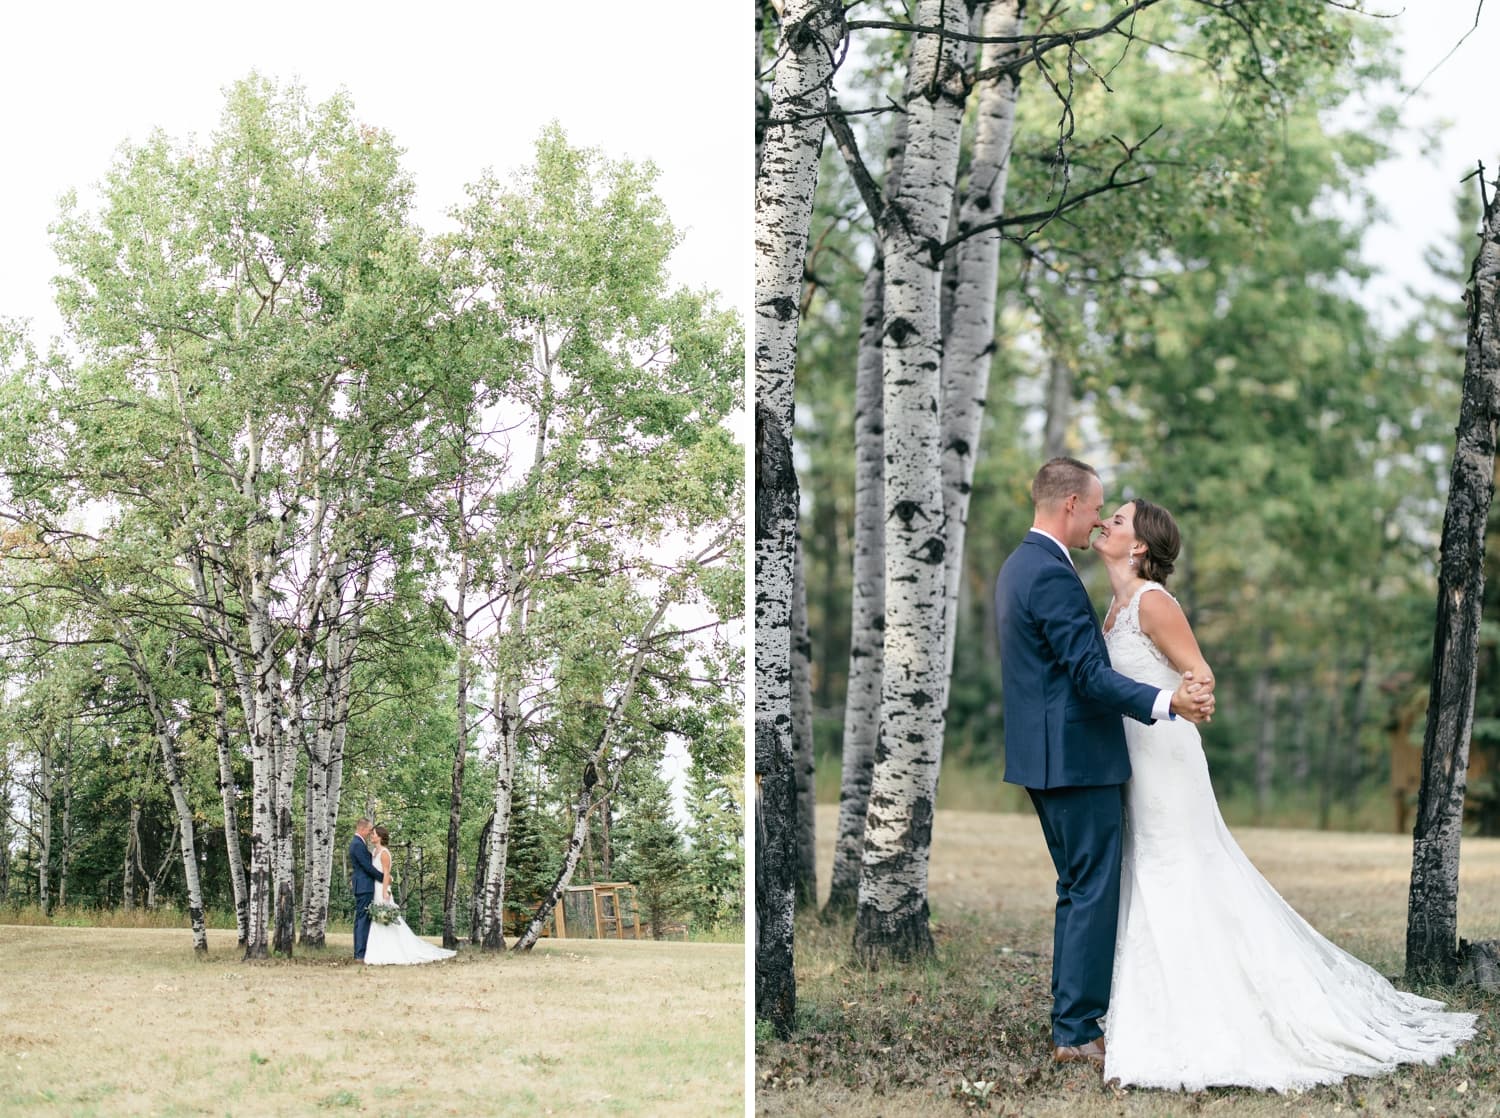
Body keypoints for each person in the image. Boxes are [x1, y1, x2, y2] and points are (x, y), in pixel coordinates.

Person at [1094, 496, 1475, 1090]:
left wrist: (1195, 699)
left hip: (1165, 760)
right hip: (1130, 759)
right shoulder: (1114, 605)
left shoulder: (1153, 603)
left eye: (1117, 519)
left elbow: (1200, 673)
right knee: (1145, 868)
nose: (1106, 523)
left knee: (1180, 868)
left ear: (1140, 544)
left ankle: (1202, 1012)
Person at [994, 457, 1215, 1069]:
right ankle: (1076, 1031)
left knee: (1079, 888)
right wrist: (1166, 701)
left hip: (1052, 757)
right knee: (1090, 889)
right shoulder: (1053, 575)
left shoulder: (1021, 567)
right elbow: (1089, 676)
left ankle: (1075, 1022)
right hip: (1077, 758)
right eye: (1096, 509)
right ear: (1070, 505)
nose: (1097, 521)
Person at [364, 824, 456, 966]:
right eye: (372, 834)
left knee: (385, 917)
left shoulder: (384, 853)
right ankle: (379, 949)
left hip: (381, 888)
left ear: (381, 837)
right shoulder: (374, 852)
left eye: (374, 834)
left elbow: (386, 873)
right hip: (374, 887)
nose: (372, 836)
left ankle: (393, 950)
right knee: (377, 918)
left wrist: (385, 892)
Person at [347, 817, 385, 961]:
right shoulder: (357, 844)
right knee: (362, 920)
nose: (370, 834)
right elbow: (367, 867)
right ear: (362, 829)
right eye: (369, 831)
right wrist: (384, 878)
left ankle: (360, 952)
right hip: (364, 886)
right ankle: (360, 954)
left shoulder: (358, 844)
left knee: (361, 920)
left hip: (362, 886)